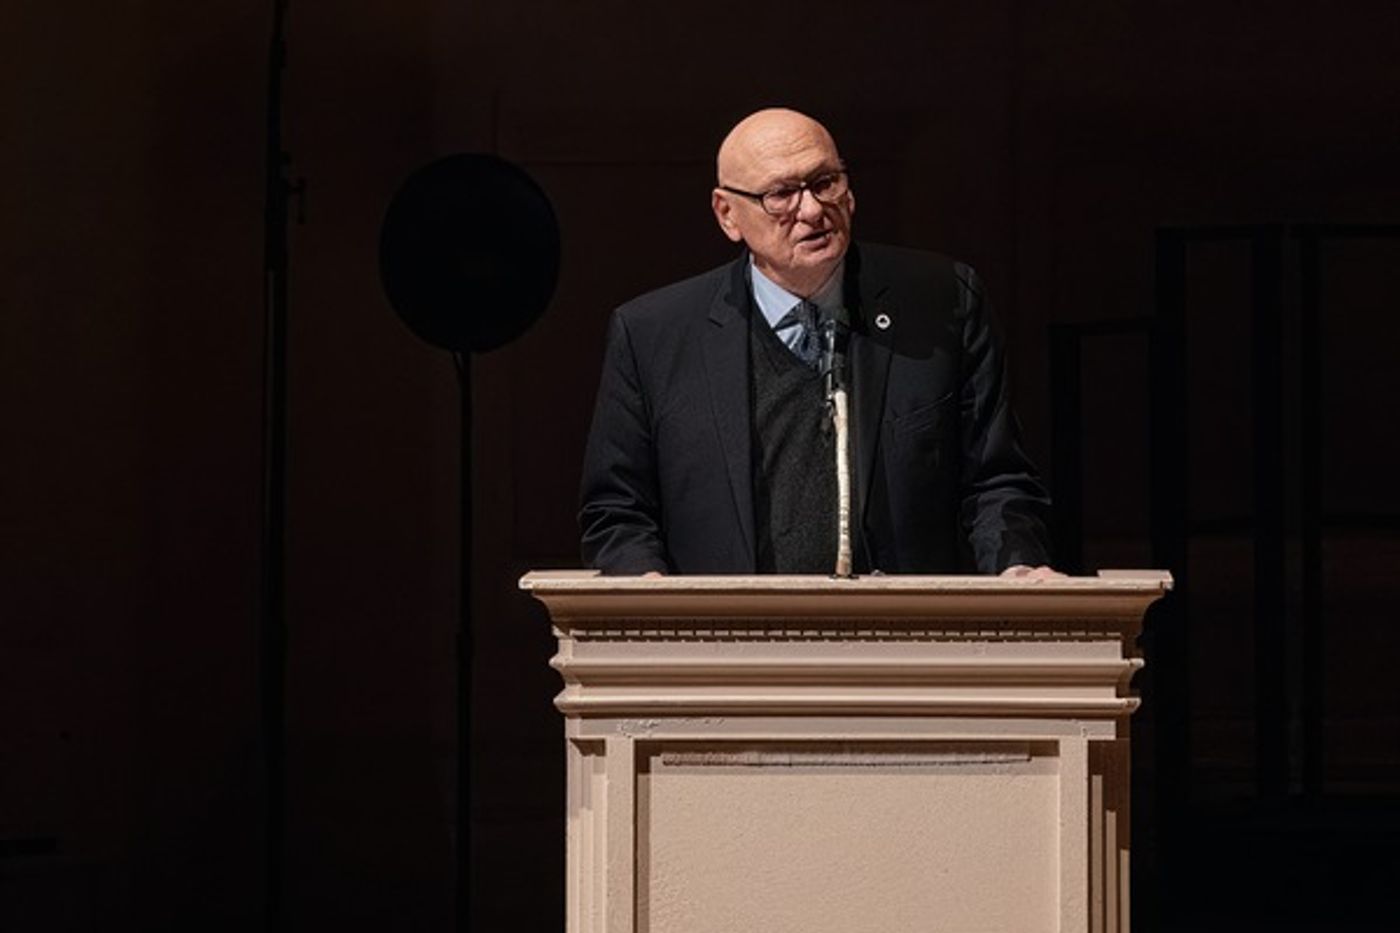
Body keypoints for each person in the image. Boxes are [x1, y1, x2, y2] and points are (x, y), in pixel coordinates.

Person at [579, 107, 1054, 577]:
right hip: (725, 642)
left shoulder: (941, 302)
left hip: (901, 637)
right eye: (781, 194)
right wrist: (647, 596)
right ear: (728, 214)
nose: (811, 210)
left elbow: (997, 481)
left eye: (825, 182)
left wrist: (1018, 569)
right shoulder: (653, 333)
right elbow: (618, 510)